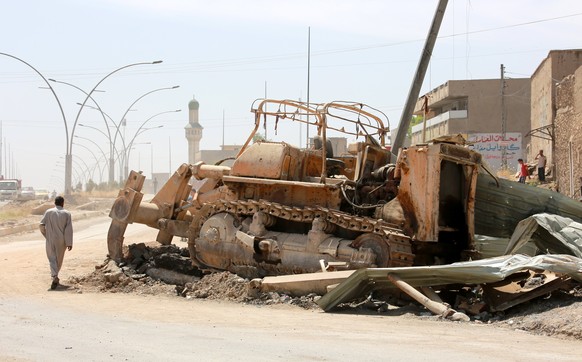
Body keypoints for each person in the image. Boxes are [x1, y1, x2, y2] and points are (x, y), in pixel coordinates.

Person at [39, 196, 73, 290]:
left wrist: (46, 235)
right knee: (59, 259)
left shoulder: (48, 212)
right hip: (61, 240)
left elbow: (41, 225)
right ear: (63, 203)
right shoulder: (67, 213)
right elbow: (68, 229)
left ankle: (54, 276)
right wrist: (69, 243)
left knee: (51, 258)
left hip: (50, 239)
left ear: (55, 203)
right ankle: (55, 276)